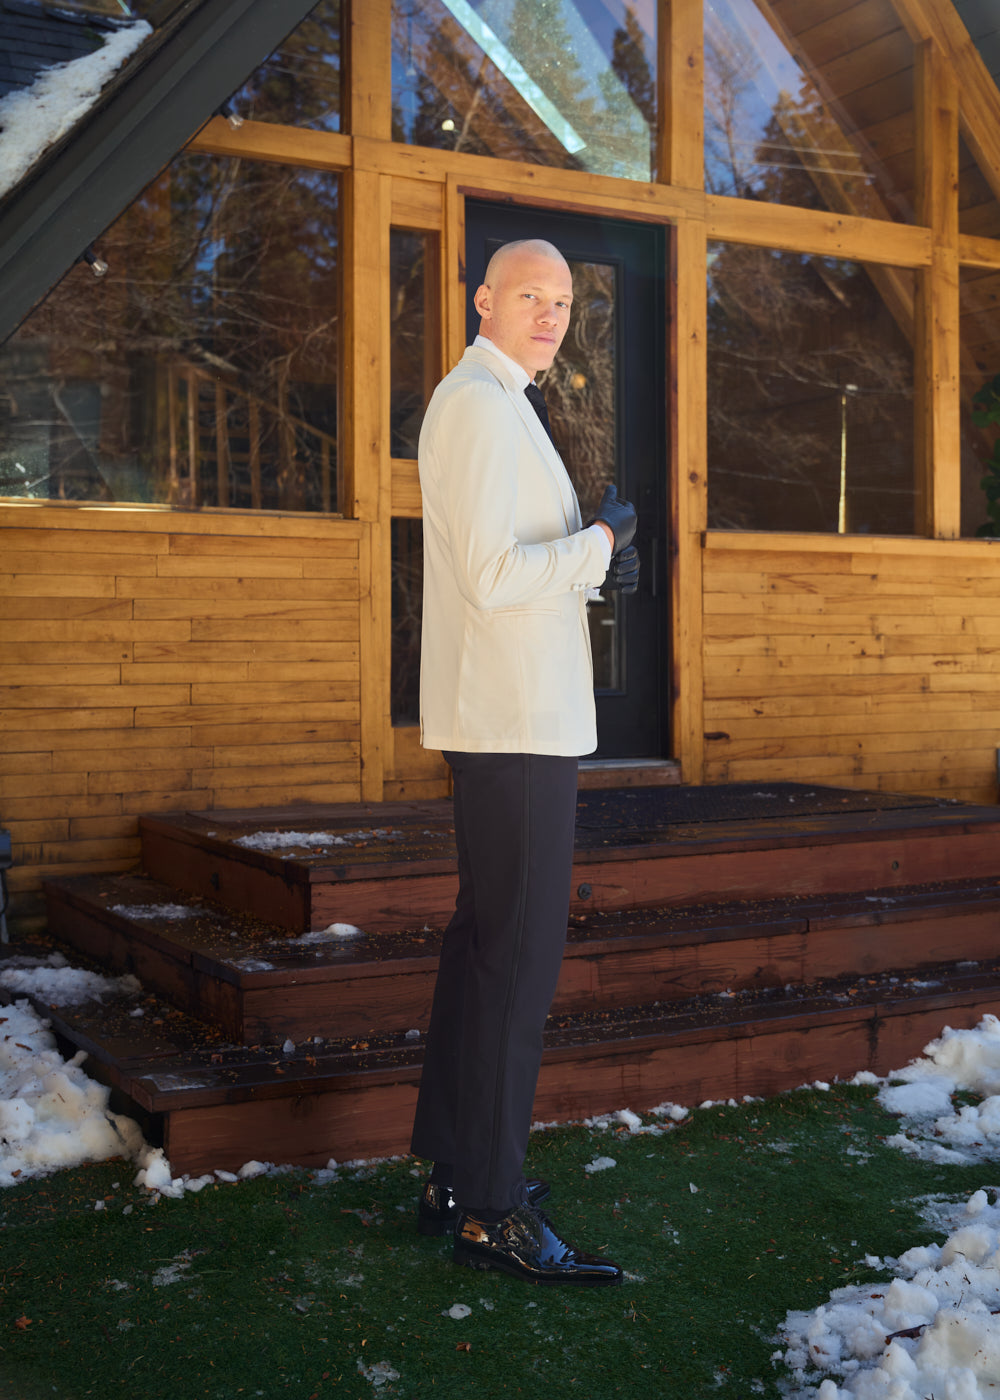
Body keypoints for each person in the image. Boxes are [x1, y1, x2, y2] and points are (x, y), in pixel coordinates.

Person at [409, 237, 639, 1287]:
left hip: (515, 719)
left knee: (484, 948)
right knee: (516, 962)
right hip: (514, 725)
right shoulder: (475, 404)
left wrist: (589, 560)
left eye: (562, 301)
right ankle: (490, 1210)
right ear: (483, 300)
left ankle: (456, 1171)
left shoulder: (502, 400)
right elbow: (495, 577)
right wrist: (600, 543)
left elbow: (506, 565)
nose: (550, 315)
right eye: (530, 296)